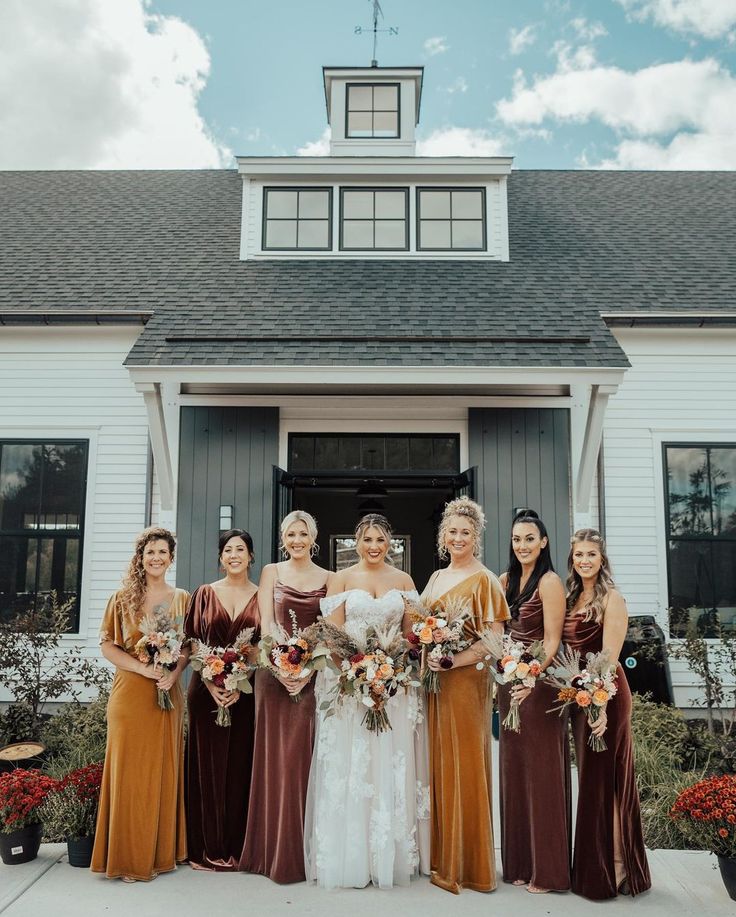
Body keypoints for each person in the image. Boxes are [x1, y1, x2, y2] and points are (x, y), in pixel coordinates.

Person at [304, 513, 430, 889]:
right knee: (353, 764)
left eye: (380, 539)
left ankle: (387, 855)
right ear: (355, 543)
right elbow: (333, 634)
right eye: (367, 539)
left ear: (390, 542)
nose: (374, 546)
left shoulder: (404, 580)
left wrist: (389, 672)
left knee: (387, 764)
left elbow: (411, 636)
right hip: (349, 686)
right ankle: (351, 856)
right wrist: (358, 675)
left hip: (393, 687)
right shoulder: (341, 579)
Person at [422, 496, 510, 894]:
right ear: (444, 535)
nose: (458, 538)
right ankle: (443, 855)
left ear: (477, 536)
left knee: (465, 762)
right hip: (434, 682)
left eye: (466, 532)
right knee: (440, 761)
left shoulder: (486, 579)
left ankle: (469, 865)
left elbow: (495, 638)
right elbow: (422, 625)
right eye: (452, 531)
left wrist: (452, 661)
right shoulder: (437, 577)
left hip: (465, 682)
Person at [91, 526, 189, 882]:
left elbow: (188, 647)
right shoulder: (122, 598)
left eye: (162, 552)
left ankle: (161, 854)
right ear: (140, 557)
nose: (156, 558)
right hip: (131, 694)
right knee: (130, 774)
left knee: (162, 770)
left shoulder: (182, 598)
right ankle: (128, 858)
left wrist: (173, 675)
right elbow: (107, 646)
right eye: (150, 552)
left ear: (171, 557)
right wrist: (144, 669)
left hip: (167, 693)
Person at [240, 510, 330, 883]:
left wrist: (305, 670)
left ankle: (301, 851)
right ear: (283, 538)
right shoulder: (271, 573)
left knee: (303, 761)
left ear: (313, 538)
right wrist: (283, 667)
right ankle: (269, 851)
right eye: (290, 534)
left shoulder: (330, 577)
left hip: (312, 678)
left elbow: (328, 629)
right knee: (274, 759)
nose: (297, 540)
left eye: (303, 533)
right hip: (273, 677)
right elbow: (266, 623)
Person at [564, 528, 652, 899]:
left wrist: (599, 704)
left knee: (607, 781)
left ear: (602, 560)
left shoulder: (612, 599)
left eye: (591, 555)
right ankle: (596, 863)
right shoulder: (571, 598)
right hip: (580, 699)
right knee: (592, 781)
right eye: (579, 555)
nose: (584, 560)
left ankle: (616, 867)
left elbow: (609, 659)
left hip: (606, 696)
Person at [497, 509, 570, 893]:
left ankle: (549, 870)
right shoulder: (505, 581)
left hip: (540, 686)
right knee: (515, 772)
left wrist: (532, 676)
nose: (522, 545)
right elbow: (496, 633)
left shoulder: (551, 581)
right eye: (516, 539)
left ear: (543, 542)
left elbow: (553, 641)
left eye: (529, 538)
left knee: (541, 774)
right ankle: (520, 864)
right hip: (508, 683)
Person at [184, 528, 259, 870]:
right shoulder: (203, 594)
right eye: (228, 550)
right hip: (205, 692)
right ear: (220, 557)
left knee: (240, 767)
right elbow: (190, 643)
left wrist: (239, 678)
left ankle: (236, 845)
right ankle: (206, 846)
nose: (234, 555)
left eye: (240, 549)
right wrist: (210, 681)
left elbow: (262, 647)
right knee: (207, 766)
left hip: (245, 694)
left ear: (250, 556)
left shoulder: (262, 596)